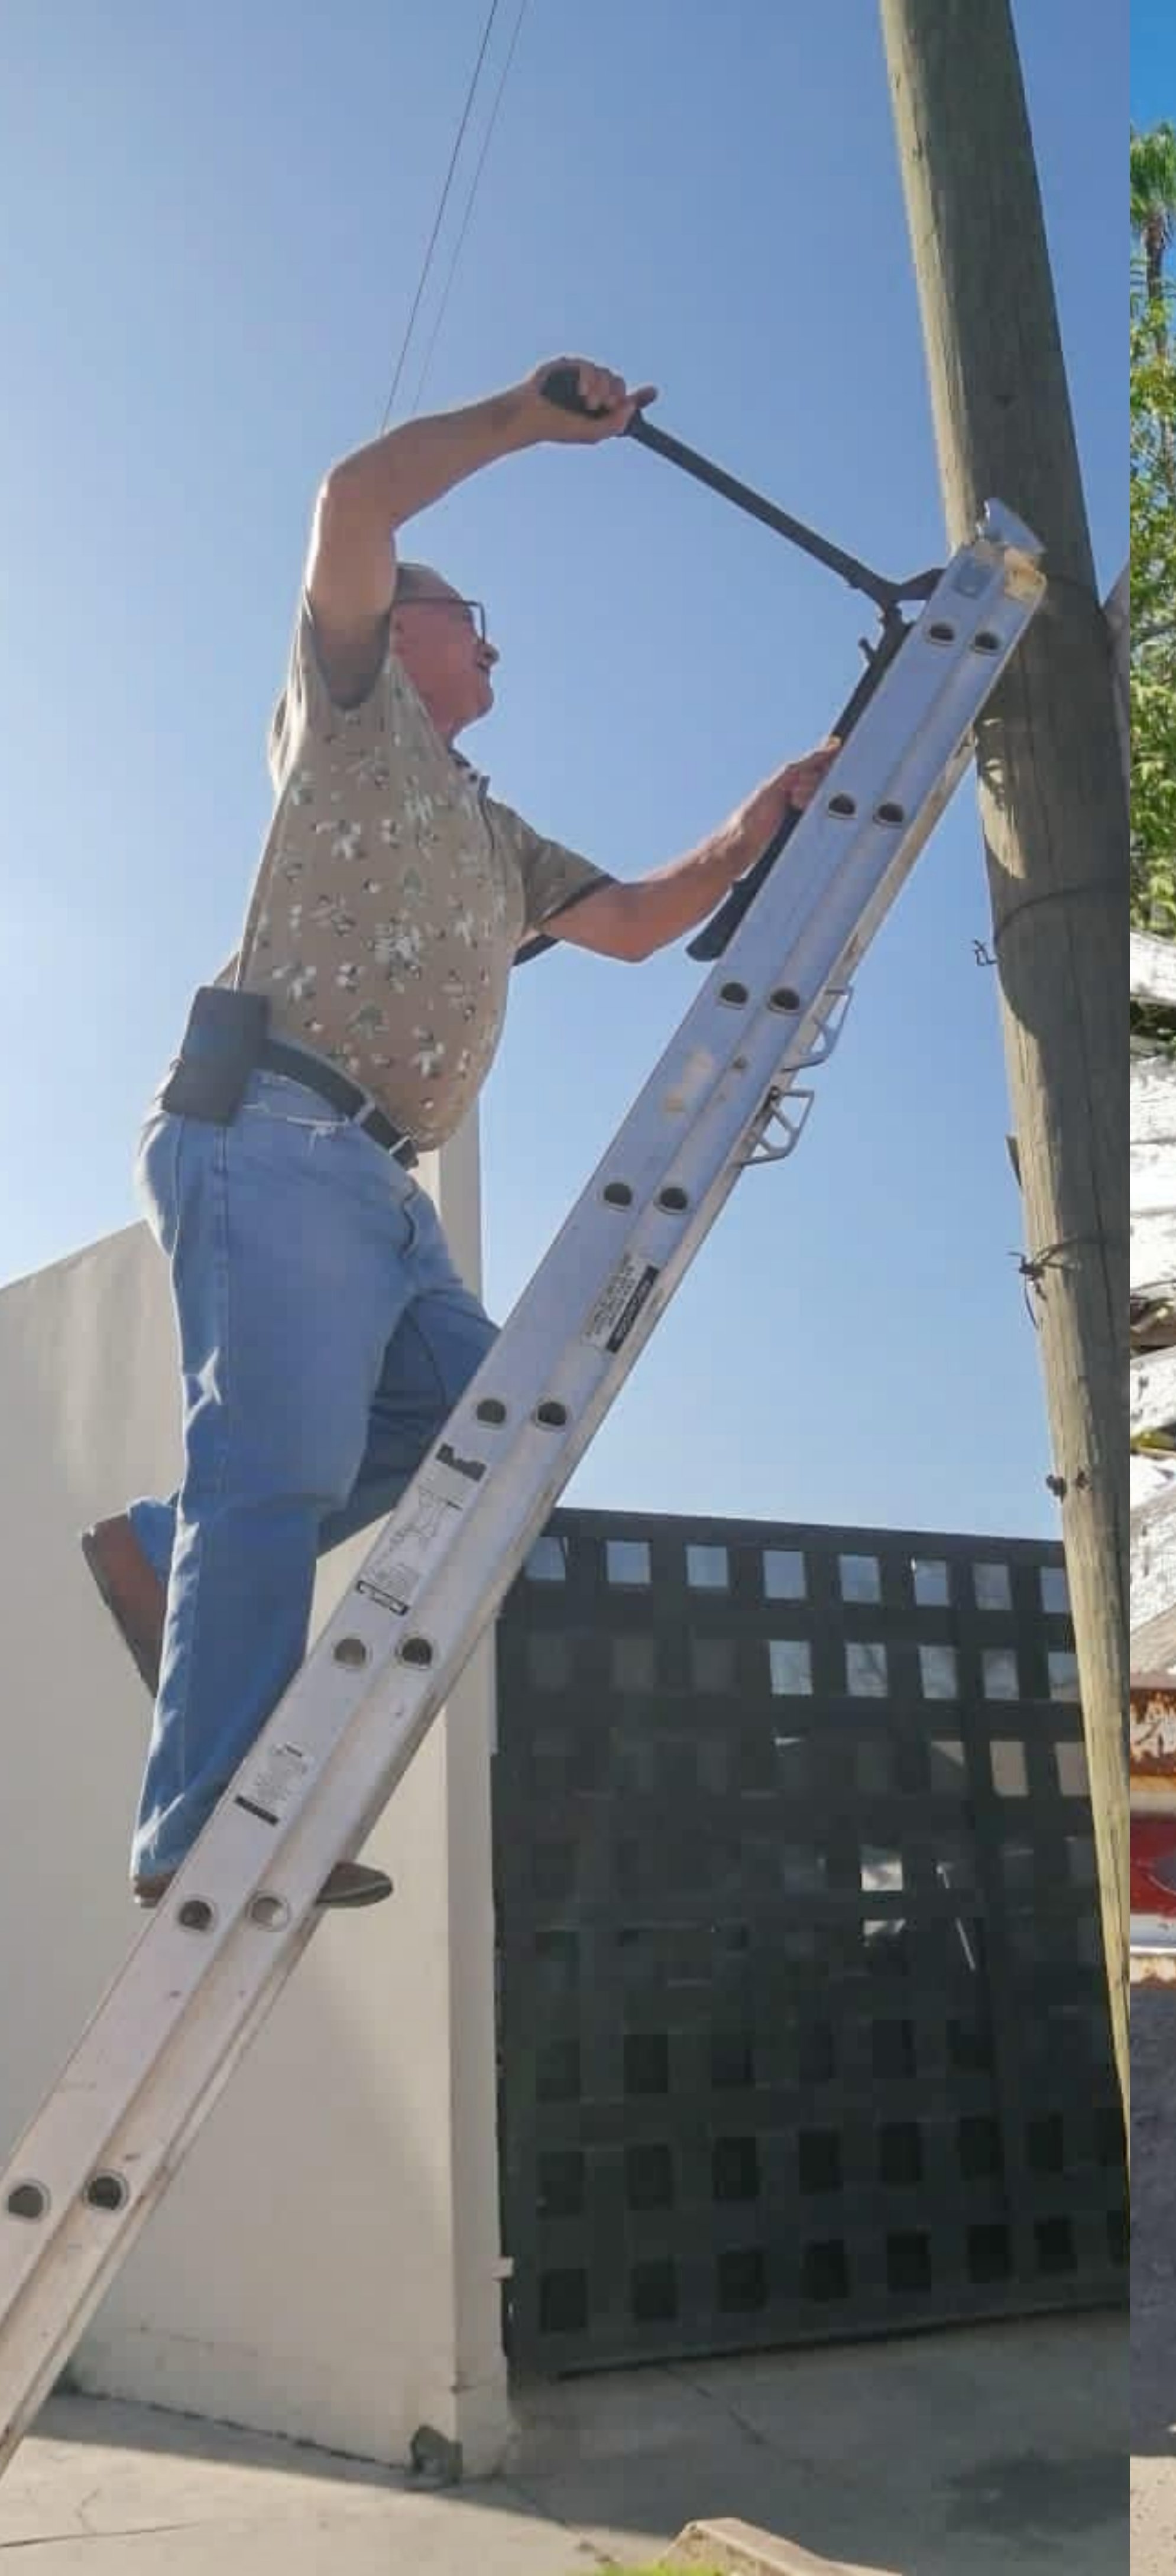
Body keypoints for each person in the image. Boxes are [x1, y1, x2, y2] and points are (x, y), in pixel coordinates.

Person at [76, 357, 843, 1910]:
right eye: (470, 616)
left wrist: (766, 817)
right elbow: (352, 502)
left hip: (380, 1187)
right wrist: (522, 420)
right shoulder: (346, 707)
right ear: (405, 629)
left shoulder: (489, 829)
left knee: (480, 1438)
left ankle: (165, 1547)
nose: (492, 640)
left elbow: (634, 920)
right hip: (277, 1129)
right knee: (277, 1463)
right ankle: (203, 1814)